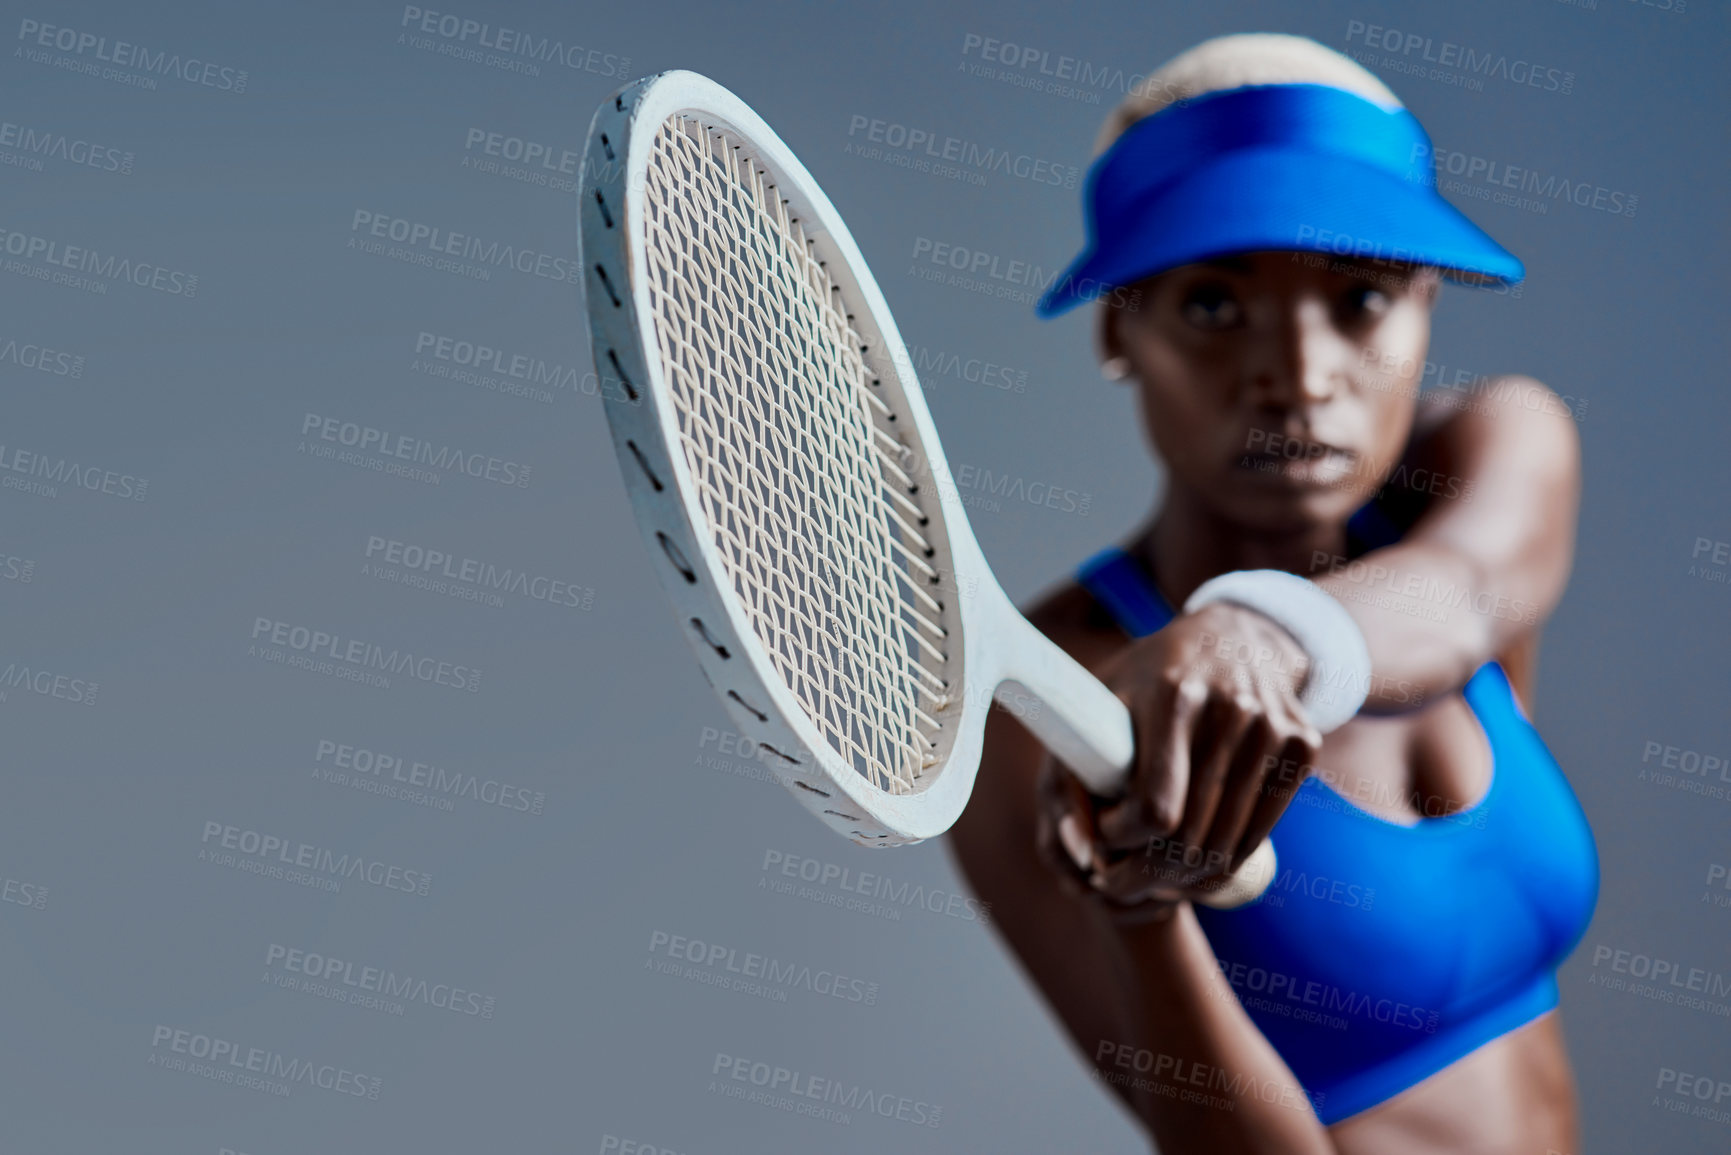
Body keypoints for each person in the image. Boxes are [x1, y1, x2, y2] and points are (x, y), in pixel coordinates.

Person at [947, 33, 1599, 1154]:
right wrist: (1143, 916)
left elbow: (1465, 593)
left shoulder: (1495, 451)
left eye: (1360, 295)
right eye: (1212, 304)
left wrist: (1262, 631)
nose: (1298, 376)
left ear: (1427, 305)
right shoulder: (1038, 703)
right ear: (1121, 331)